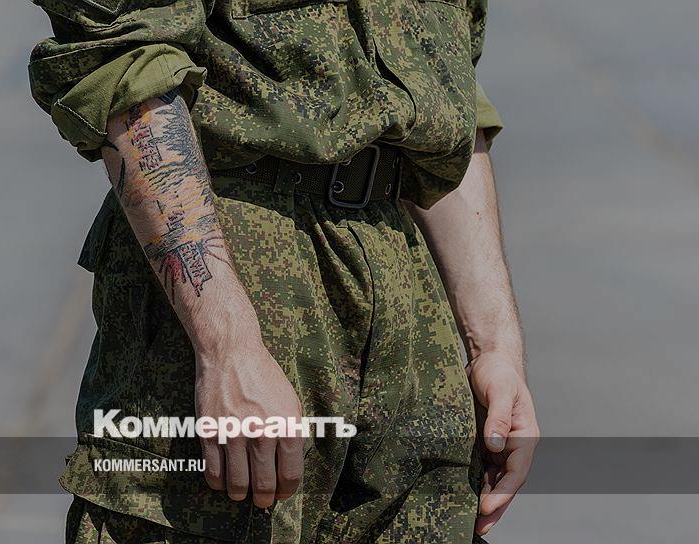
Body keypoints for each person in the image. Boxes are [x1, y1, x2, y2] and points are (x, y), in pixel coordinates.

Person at [29, 0, 539, 541]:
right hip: (237, 259)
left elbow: (448, 94)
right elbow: (126, 63)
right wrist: (227, 345)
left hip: (409, 298)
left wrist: (495, 347)